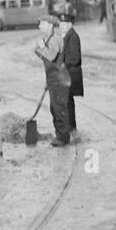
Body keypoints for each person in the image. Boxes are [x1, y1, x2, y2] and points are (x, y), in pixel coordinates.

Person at [34, 15, 71, 146]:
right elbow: (42, 55)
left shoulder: (55, 39)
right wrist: (39, 49)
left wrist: (42, 47)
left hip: (60, 80)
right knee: (54, 108)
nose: (39, 26)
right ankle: (60, 134)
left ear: (50, 25)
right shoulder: (48, 39)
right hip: (53, 79)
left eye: (42, 24)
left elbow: (52, 56)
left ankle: (63, 137)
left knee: (59, 108)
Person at [59, 12, 83, 138]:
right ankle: (70, 127)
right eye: (60, 24)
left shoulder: (72, 37)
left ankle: (71, 128)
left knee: (68, 102)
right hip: (68, 75)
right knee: (67, 101)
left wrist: (62, 63)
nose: (61, 26)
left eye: (63, 24)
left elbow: (74, 57)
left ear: (70, 24)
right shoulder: (67, 35)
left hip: (71, 75)